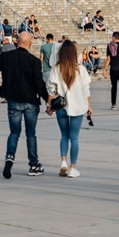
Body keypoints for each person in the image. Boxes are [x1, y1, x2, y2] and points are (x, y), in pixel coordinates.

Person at [0, 31, 48, 178]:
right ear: (31, 43)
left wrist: (1, 91)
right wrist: (49, 101)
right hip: (30, 102)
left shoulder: (6, 57)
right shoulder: (34, 61)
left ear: (17, 42)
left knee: (14, 133)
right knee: (30, 134)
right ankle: (33, 165)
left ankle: (9, 159)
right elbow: (39, 84)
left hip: (13, 101)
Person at [46, 40, 91, 178]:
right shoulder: (81, 70)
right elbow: (86, 90)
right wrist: (89, 106)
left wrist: (49, 105)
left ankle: (63, 162)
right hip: (78, 105)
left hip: (61, 107)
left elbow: (51, 90)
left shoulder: (56, 69)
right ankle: (73, 168)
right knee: (74, 137)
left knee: (64, 135)